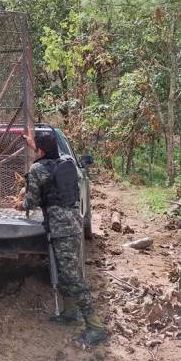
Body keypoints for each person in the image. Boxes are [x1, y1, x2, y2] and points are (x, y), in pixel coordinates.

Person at [17, 130, 107, 346]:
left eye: (36, 148)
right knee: (66, 271)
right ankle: (70, 312)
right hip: (73, 224)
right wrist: (34, 144)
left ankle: (95, 326)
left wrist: (21, 204)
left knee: (72, 277)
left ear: (40, 151)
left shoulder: (37, 169)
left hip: (61, 229)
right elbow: (49, 160)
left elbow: (32, 200)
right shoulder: (67, 163)